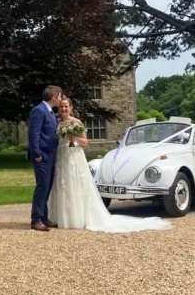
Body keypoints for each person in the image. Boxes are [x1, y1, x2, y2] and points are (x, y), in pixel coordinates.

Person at [47, 96, 172, 233]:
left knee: (75, 183)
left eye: (66, 106)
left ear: (71, 108)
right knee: (62, 184)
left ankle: (77, 218)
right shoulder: (56, 122)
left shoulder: (77, 123)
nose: (64, 109)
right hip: (61, 156)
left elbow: (85, 142)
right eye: (61, 107)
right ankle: (62, 217)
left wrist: (74, 138)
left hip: (74, 157)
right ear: (58, 109)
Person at [27, 85, 62, 231]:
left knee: (47, 187)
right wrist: (37, 154)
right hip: (41, 157)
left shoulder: (50, 113)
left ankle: (43, 217)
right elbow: (33, 134)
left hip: (51, 156)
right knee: (42, 187)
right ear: (54, 96)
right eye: (60, 96)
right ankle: (35, 220)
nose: (61, 99)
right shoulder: (39, 111)